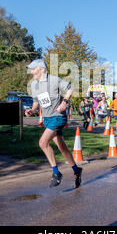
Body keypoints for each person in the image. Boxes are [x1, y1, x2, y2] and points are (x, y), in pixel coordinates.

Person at [24, 59, 83, 188]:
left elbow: (70, 89)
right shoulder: (34, 84)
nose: (31, 71)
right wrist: (32, 110)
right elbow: (36, 101)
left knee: (42, 143)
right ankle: (76, 169)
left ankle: (56, 173)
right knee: (62, 147)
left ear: (40, 69)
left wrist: (64, 102)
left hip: (58, 117)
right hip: (48, 119)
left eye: (33, 69)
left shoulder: (54, 80)